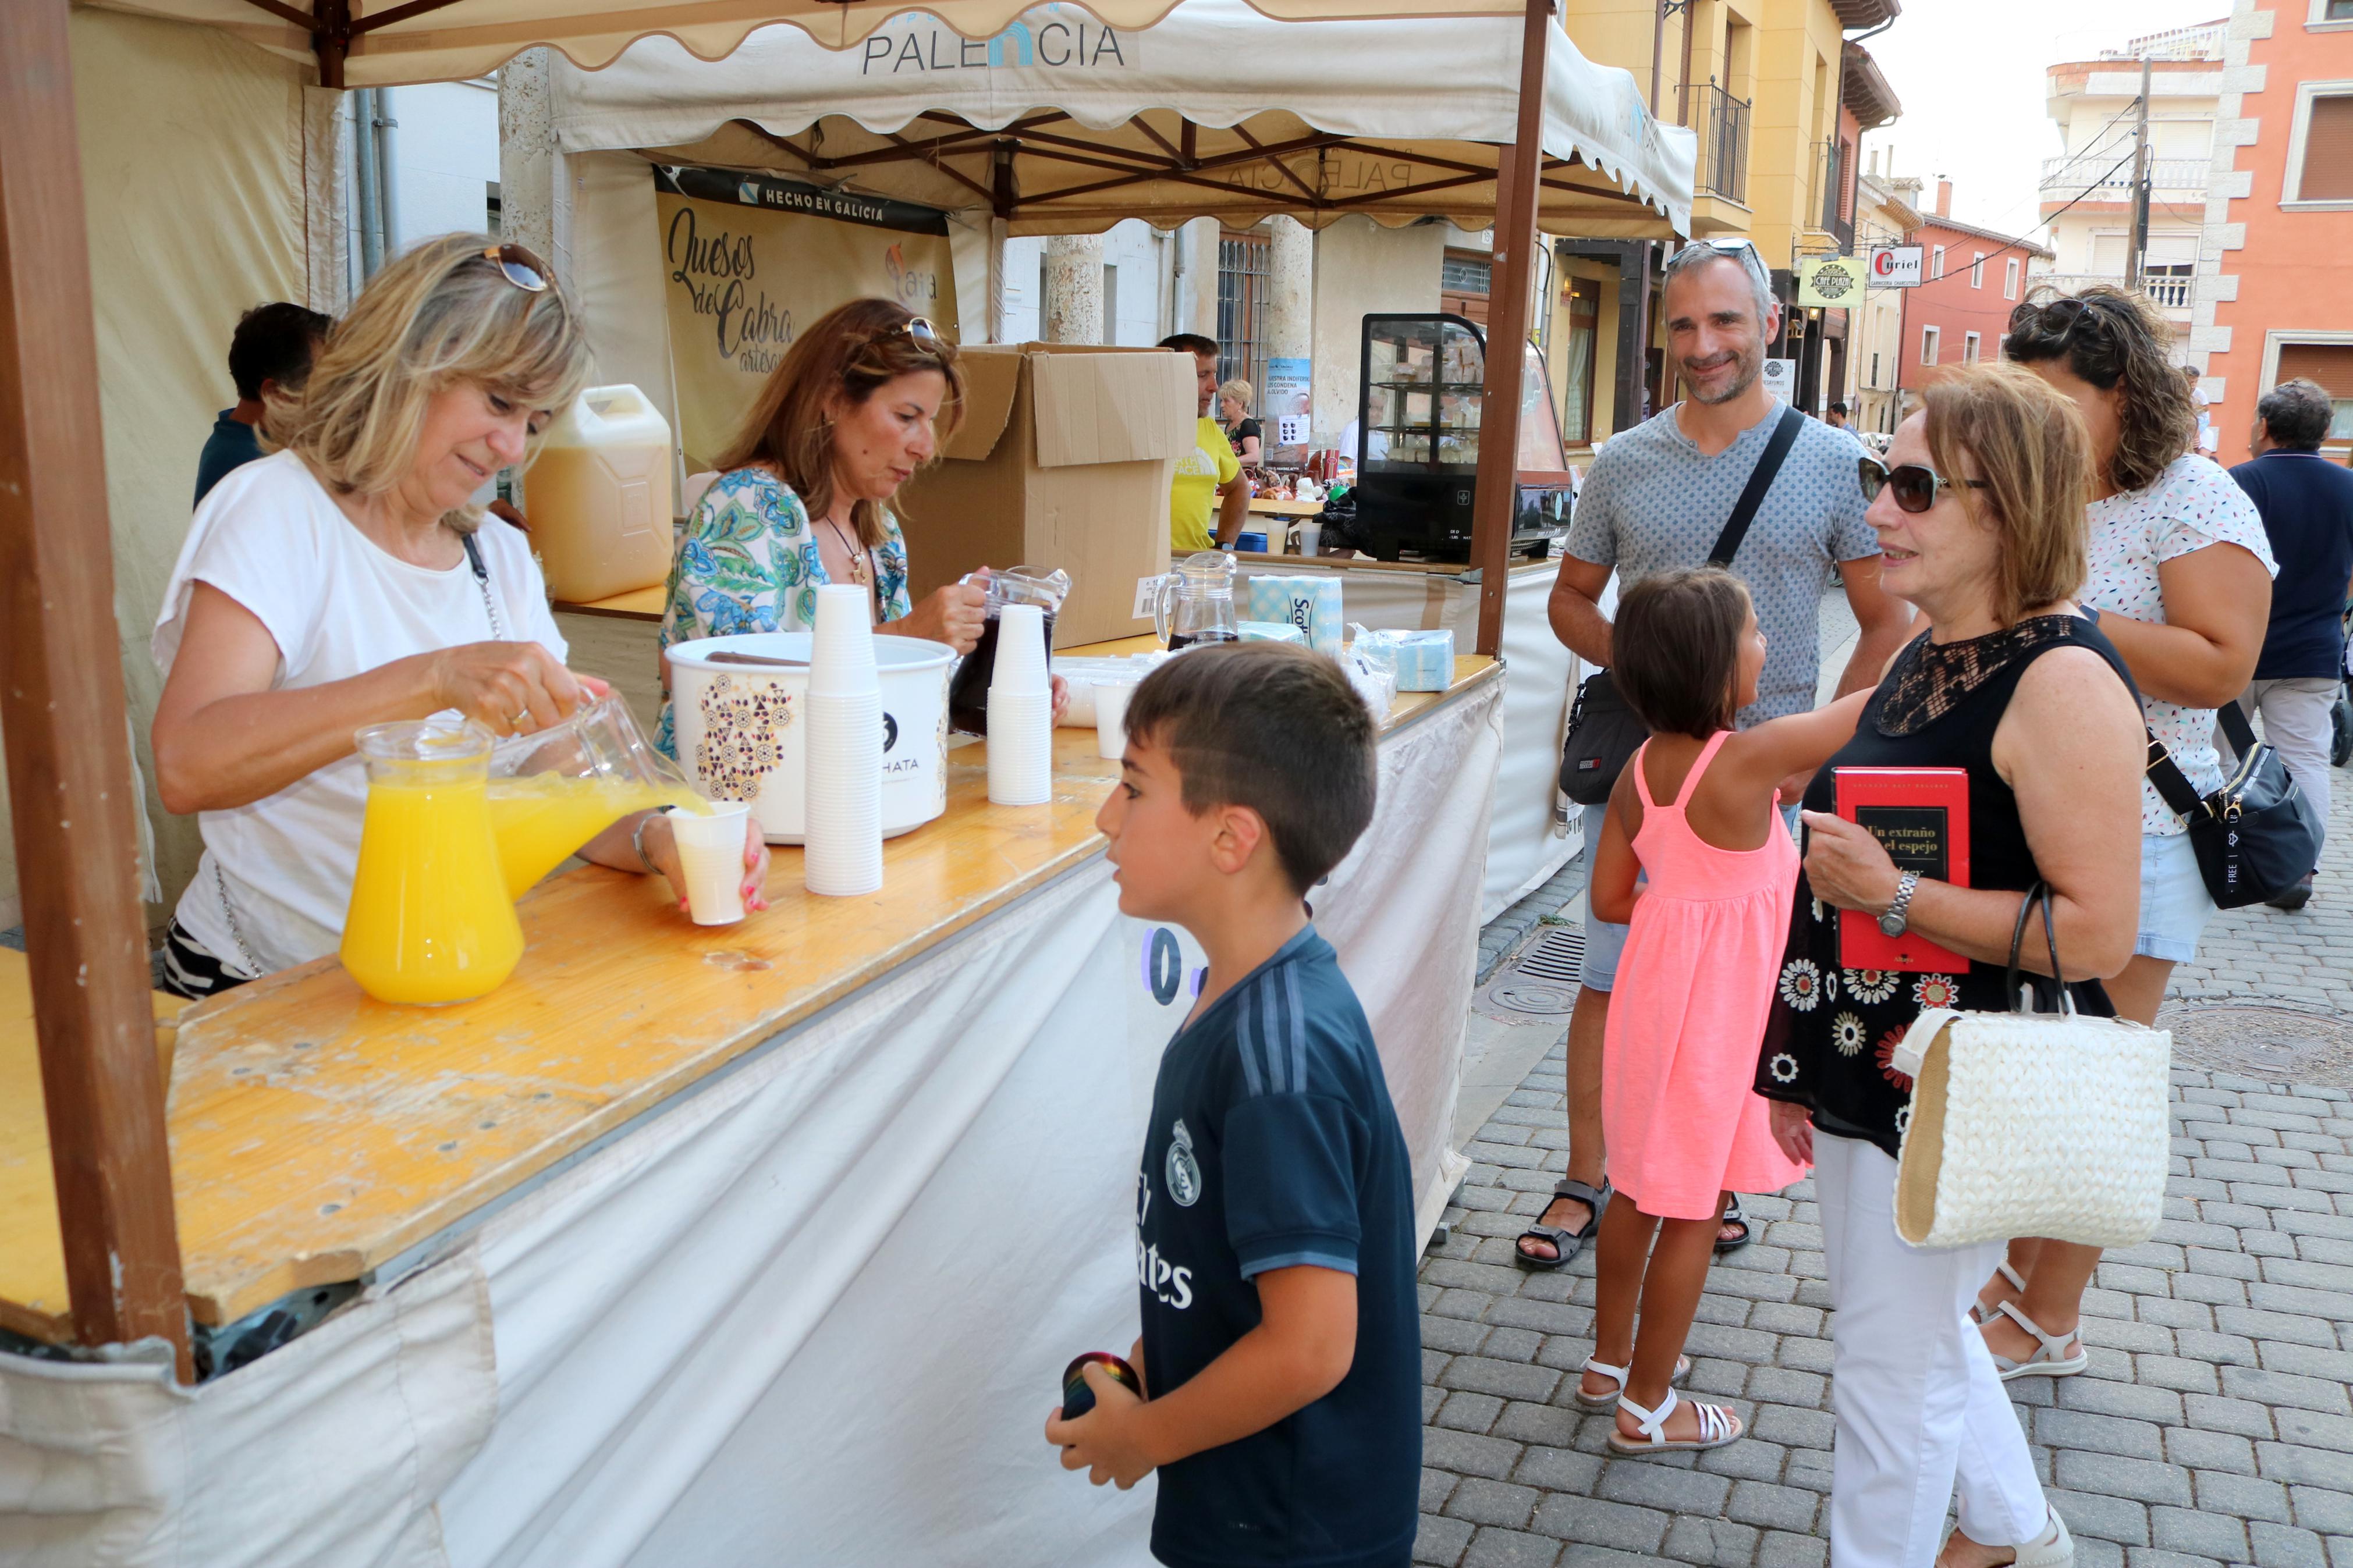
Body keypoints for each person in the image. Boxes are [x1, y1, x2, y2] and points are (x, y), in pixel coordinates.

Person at [150, 235, 769, 998]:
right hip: (268, 982)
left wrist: (657, 833)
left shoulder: (496, 556)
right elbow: (188, 761)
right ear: (405, 359)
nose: (510, 444)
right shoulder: (275, 510)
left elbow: (553, 769)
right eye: (499, 401)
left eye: (535, 422)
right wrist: (435, 677)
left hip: (441, 966)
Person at [1757, 362, 2146, 1568]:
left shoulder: (2060, 681)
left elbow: (2093, 936)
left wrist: (1899, 893)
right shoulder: (1931, 652)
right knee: (1915, 1337)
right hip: (1864, 1064)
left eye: (1912, 486)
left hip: (1951, 1087)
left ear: (2006, 506)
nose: (1877, 507)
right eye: (1882, 477)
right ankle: (2014, 1529)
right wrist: (1793, 1061)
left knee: (1888, 1372)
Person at [1527, 237, 1914, 1270]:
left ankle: (1706, 1172)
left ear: (1768, 326)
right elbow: (1569, 599)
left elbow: (1886, 621)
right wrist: (1659, 674)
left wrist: (1814, 763)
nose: (1704, 345)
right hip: (1650, 780)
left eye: (1725, 322)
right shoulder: (1623, 461)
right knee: (1608, 978)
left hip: (1767, 787)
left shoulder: (1833, 463)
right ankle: (1587, 1176)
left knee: (1738, 997)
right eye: (1686, 325)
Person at [1048, 642, 1418, 1568]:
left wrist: (1145, 1436)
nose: (1104, 816)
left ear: (1231, 837)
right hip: (1254, 1504)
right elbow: (1225, 1257)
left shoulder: (1274, 1061)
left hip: (1292, 1528)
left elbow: (1310, 1346)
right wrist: (1147, 1362)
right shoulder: (1240, 997)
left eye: (1132, 788)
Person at [1987, 287, 2274, 1377]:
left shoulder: (2191, 498)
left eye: (2059, 402)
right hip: (2026, 818)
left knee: (2096, 1085)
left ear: (2124, 396)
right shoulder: (2037, 491)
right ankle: (2011, 1287)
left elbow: (2217, 665)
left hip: (2145, 826)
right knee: (2032, 1077)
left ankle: (2046, 1318)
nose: (2041, 422)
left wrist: (2070, 622)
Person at [1581, 568, 1868, 1454]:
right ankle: (1649, 1405)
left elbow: (1606, 896)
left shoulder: (1639, 768)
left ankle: (1605, 1362)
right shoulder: (1745, 758)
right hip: (1716, 1022)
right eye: (1752, 633)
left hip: (1650, 1004)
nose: (1768, 644)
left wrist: (1684, 909)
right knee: (1696, 1205)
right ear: (1715, 663)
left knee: (1632, 1185)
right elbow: (1860, 710)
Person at [657, 298, 1062, 752]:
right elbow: (726, 679)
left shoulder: (880, 535)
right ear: (832, 399)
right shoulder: (750, 505)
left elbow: (882, 705)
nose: (925, 448)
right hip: (734, 815)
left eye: (929, 422)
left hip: (849, 797)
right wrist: (909, 636)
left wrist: (996, 686)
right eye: (906, 417)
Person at [2226, 378, 2353, 909]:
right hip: (2311, 654)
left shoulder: (2235, 482)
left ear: (2262, 426)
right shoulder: (2348, 487)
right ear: (2324, 431)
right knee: (2304, 761)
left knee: (2207, 760)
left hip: (2231, 649)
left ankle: (2205, 861)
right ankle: (2298, 870)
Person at [194, 301, 332, 506]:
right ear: (276, 394)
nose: (336, 394)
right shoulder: (250, 468)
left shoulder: (240, 435)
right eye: (324, 380)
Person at [1160, 333, 1250, 552]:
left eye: (1214, 375)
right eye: (1203, 375)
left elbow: (1239, 488)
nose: (1214, 386)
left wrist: (1224, 546)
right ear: (1170, 374)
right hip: (1144, 567)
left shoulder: (1210, 429)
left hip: (1196, 567)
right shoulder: (1141, 427)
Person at [1218, 380, 1262, 466]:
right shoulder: (1230, 424)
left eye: (1227, 401)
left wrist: (1228, 462)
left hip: (1243, 477)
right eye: (1221, 401)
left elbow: (1254, 457)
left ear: (1240, 404)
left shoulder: (1248, 425)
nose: (1222, 405)